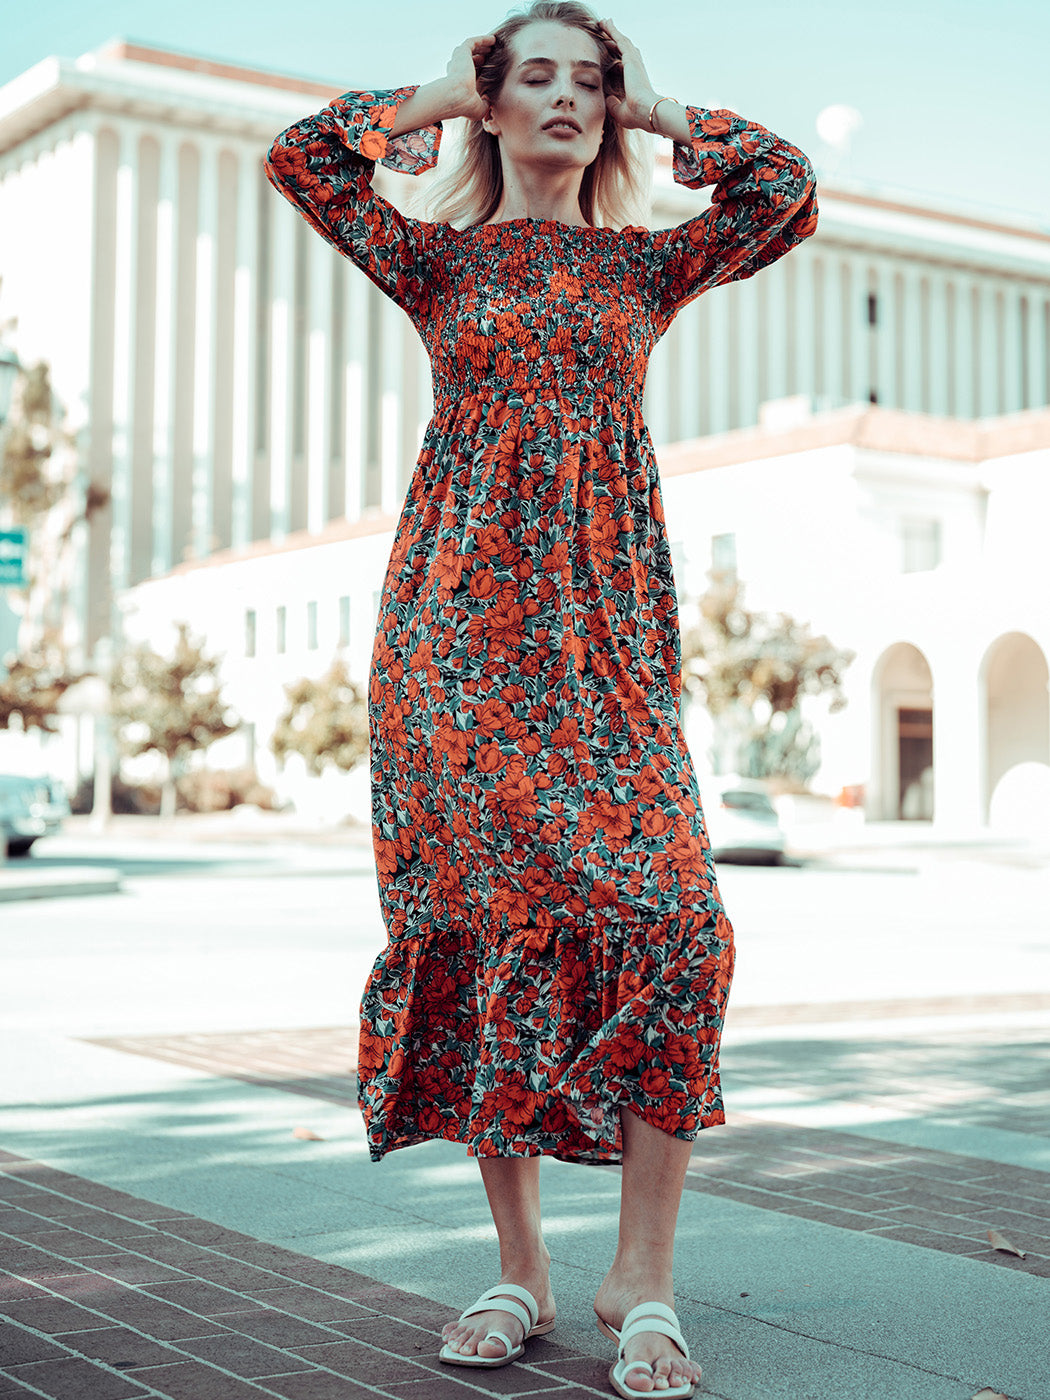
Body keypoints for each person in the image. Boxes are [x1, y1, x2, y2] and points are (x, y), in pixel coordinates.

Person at [265, 5, 818, 1395]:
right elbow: (304, 160)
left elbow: (784, 190)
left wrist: (656, 114)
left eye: (592, 80)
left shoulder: (648, 269)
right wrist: (436, 91)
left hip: (606, 639)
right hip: (453, 643)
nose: (566, 99)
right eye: (537, 79)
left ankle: (644, 1271)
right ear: (491, 105)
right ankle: (520, 1266)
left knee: (676, 922)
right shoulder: (431, 259)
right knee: (480, 932)